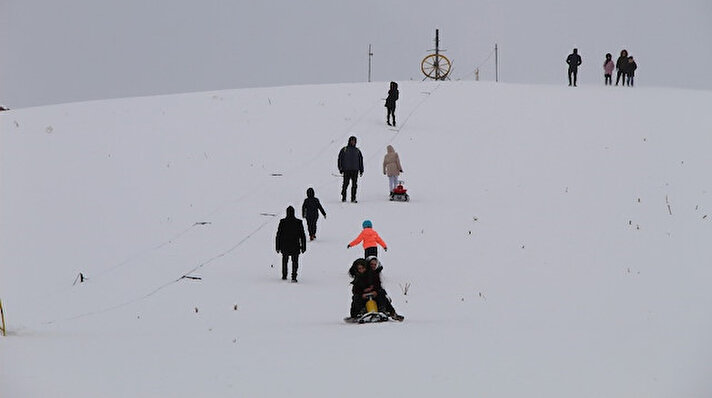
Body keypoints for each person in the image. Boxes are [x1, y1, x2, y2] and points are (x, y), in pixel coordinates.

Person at [275, 206, 306, 282]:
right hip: (295, 245)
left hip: (284, 245)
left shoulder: (283, 222)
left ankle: (284, 275)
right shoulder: (298, 222)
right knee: (295, 261)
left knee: (285, 260)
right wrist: (303, 246)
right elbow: (302, 235)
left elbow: (278, 235)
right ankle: (294, 276)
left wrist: (277, 246)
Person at [366, 255, 403, 320]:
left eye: (375, 264)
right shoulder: (364, 273)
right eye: (371, 264)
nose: (373, 266)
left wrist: (377, 291)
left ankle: (390, 313)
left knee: (383, 296)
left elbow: (378, 285)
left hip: (375, 293)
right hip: (365, 293)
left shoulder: (377, 273)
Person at [337, 135, 364, 203]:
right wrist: (340, 168)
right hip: (346, 170)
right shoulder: (344, 149)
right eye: (352, 141)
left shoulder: (357, 150)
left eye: (354, 141)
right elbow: (340, 159)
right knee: (346, 184)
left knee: (354, 185)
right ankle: (343, 196)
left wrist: (361, 170)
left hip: (355, 170)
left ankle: (353, 198)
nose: (353, 142)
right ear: (349, 141)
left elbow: (360, 160)